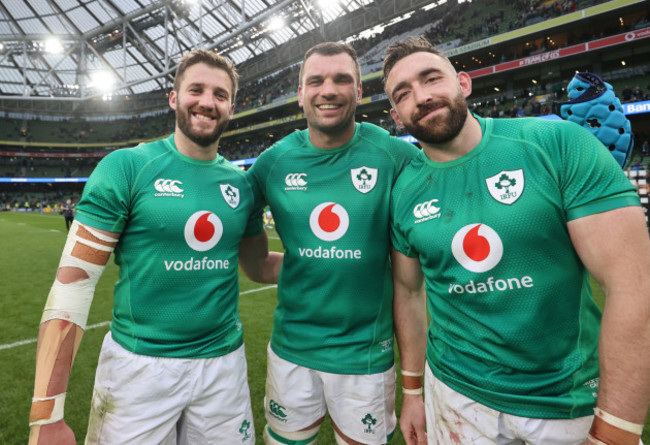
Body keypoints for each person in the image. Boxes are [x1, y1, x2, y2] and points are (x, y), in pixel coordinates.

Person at [382, 36, 650, 445]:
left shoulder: (558, 145)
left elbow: (635, 285)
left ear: (463, 83)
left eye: (431, 78)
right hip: (455, 396)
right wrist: (413, 393)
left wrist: (616, 432)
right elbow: (408, 291)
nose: (421, 96)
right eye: (403, 94)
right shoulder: (403, 192)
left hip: (566, 402)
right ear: (397, 117)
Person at [28, 49, 282, 445]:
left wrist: (341, 263)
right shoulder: (126, 167)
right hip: (137, 368)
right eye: (195, 89)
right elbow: (73, 285)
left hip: (223, 367)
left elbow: (258, 265)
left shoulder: (242, 185)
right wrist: (46, 415)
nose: (206, 102)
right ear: (174, 97)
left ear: (231, 105)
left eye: (220, 94)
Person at [247, 42, 424, 445]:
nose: (328, 90)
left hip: (366, 358)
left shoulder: (393, 156)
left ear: (360, 92)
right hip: (291, 353)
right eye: (316, 81)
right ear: (300, 93)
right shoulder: (273, 163)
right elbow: (243, 241)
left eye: (342, 79)